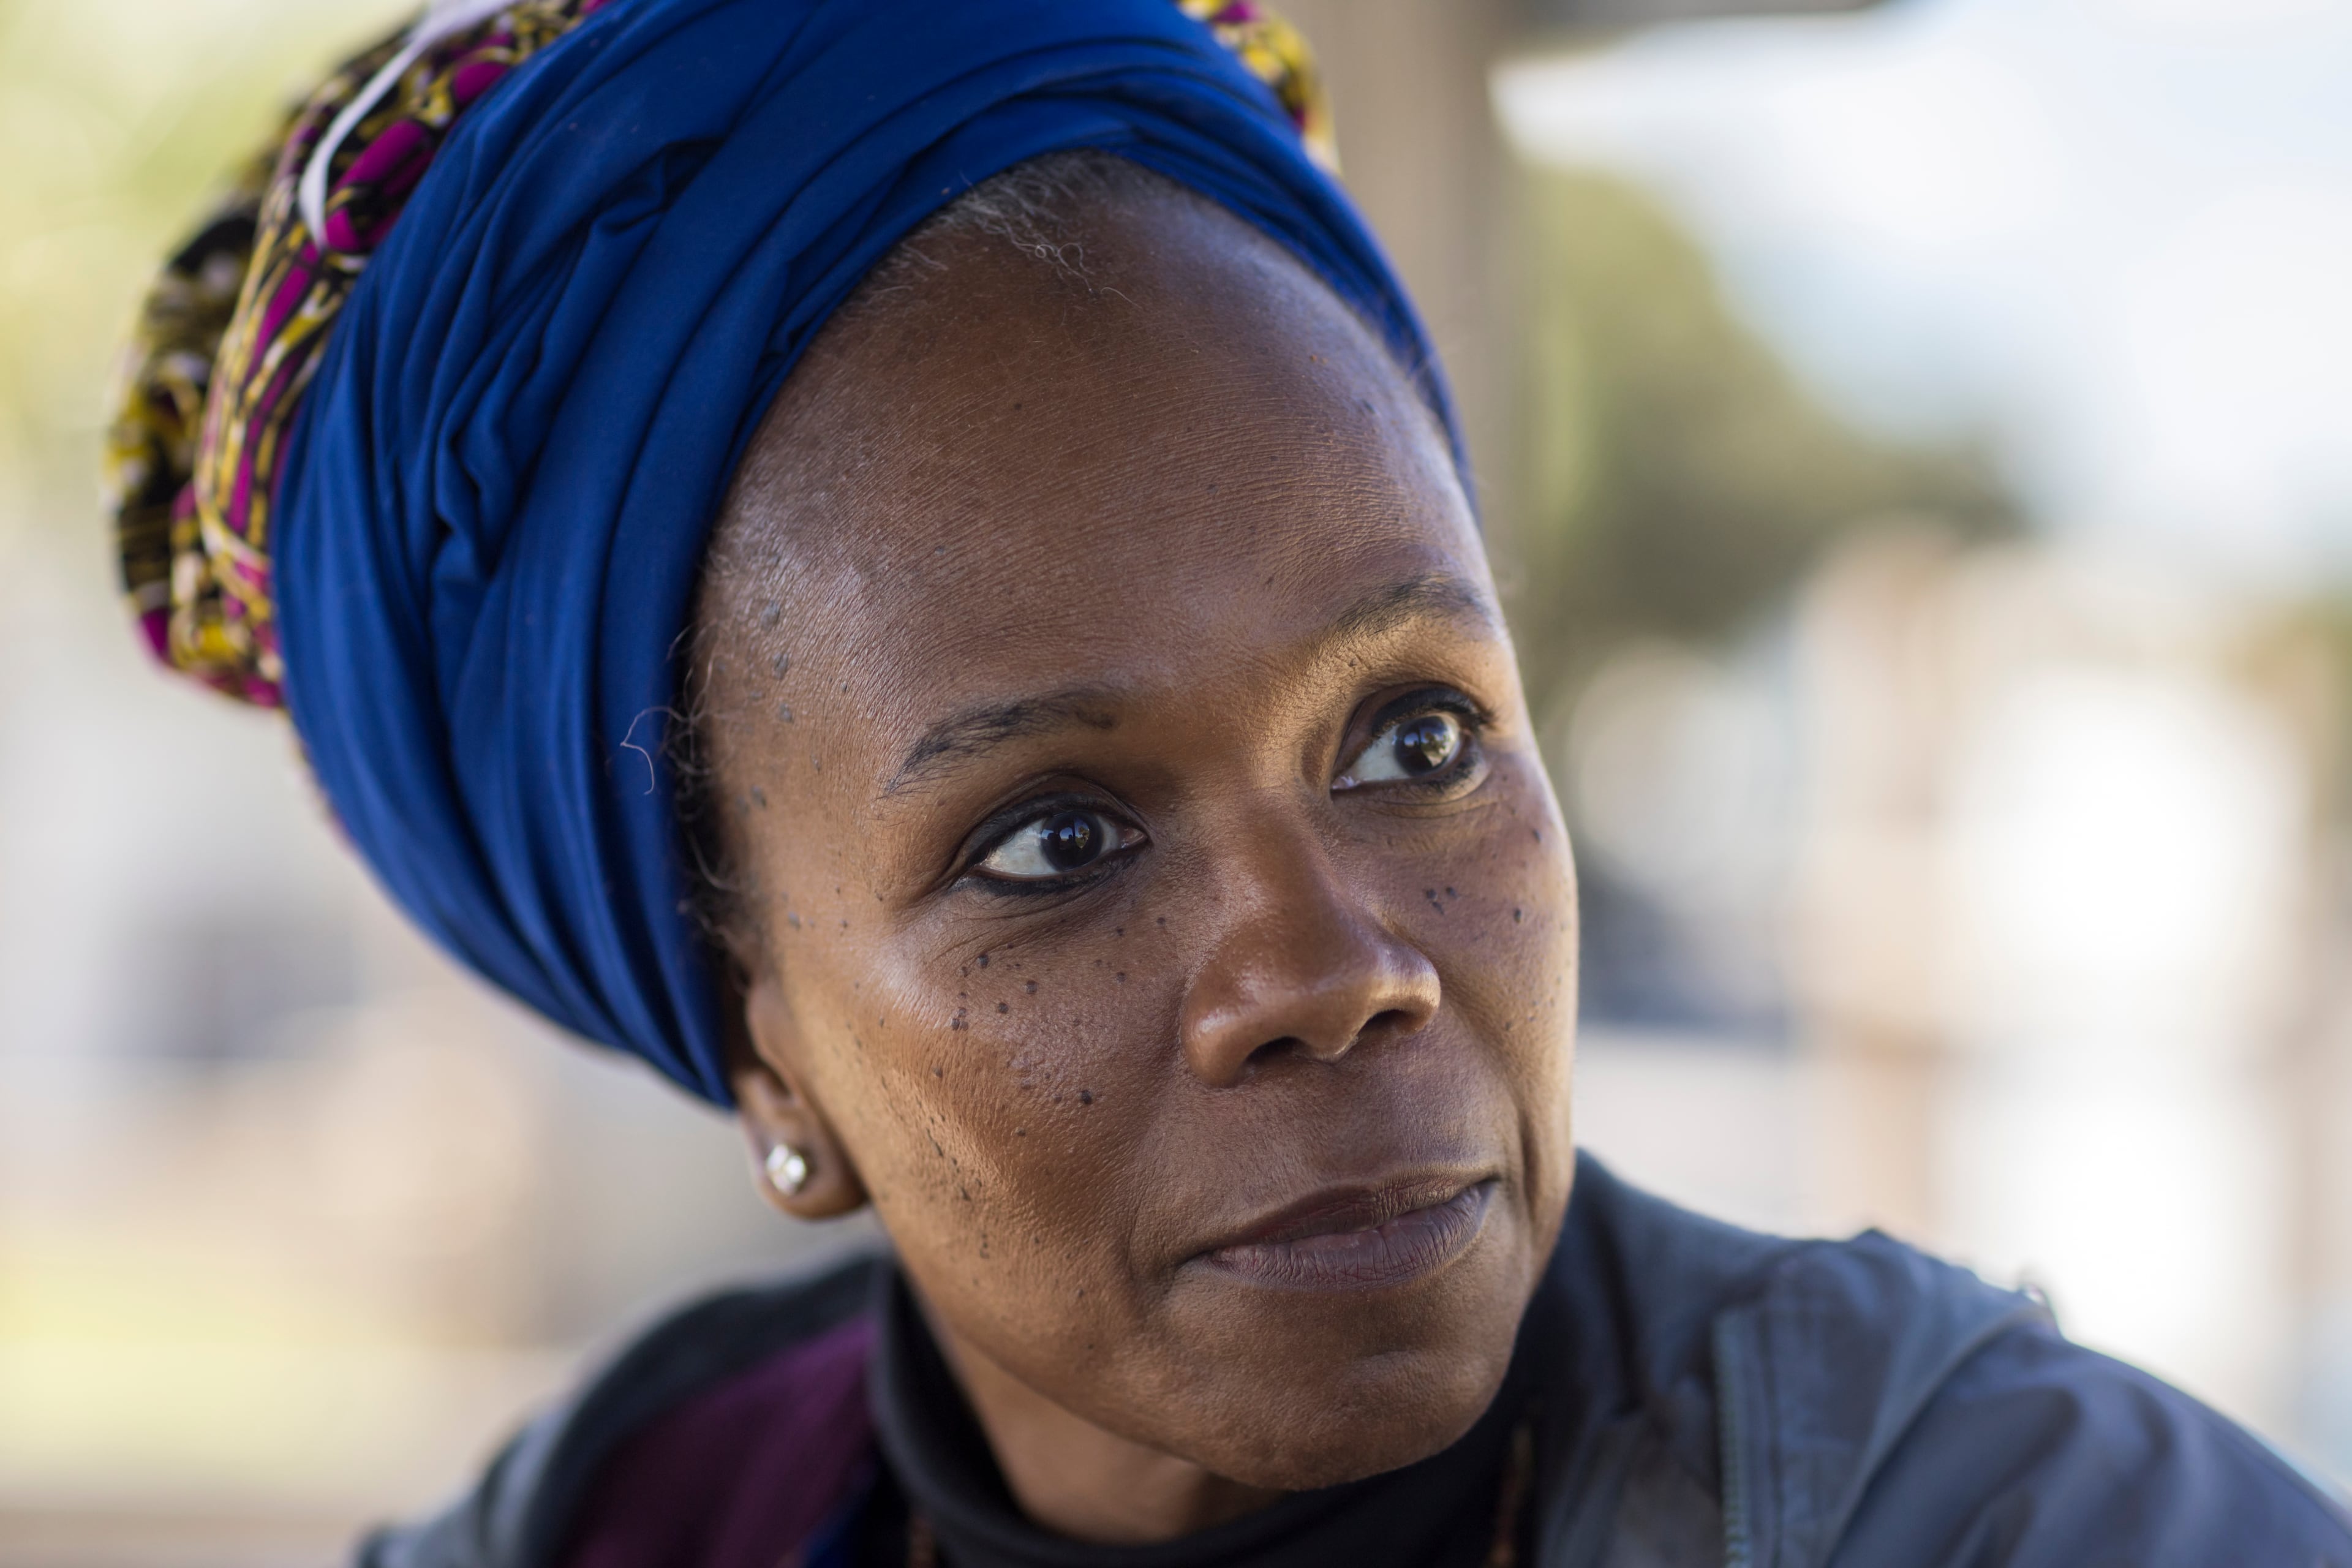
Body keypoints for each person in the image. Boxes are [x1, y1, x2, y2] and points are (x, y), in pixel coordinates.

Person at [107, 1, 2352, 1564]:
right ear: (751, 1020)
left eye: (1415, 735)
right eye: (1056, 841)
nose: (1334, 968)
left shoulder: (2001, 1525)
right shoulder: (609, 1525)